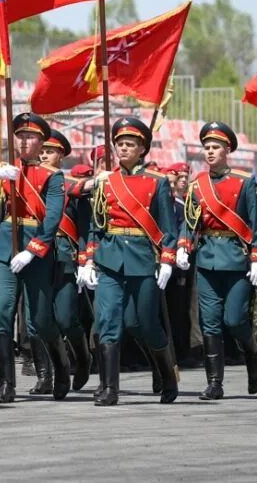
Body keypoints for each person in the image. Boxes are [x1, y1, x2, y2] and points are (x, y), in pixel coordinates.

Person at [0, 112, 71, 404]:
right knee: (0, 313)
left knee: (40, 320)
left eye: (31, 137)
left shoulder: (53, 177)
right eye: (20, 136)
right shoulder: (6, 171)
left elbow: (51, 221)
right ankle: (4, 382)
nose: (24, 142)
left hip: (35, 250)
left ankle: (61, 367)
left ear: (41, 142)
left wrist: (32, 250)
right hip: (3, 248)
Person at [81, 117, 179, 406]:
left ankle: (167, 374)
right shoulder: (106, 181)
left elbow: (168, 227)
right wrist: (88, 260)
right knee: (108, 321)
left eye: (130, 144)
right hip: (110, 258)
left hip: (142, 257)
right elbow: (95, 224)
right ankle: (110, 388)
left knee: (143, 322)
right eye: (120, 144)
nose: (123, 149)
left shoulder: (157, 183)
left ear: (142, 149)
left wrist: (167, 260)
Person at [177, 121, 257, 400]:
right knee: (210, 323)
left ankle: (252, 354)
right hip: (206, 259)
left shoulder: (244, 181)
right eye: (207, 148)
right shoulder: (198, 185)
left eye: (216, 147)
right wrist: (183, 246)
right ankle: (215, 382)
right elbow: (189, 221)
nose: (210, 152)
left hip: (236, 258)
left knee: (236, 319)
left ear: (227, 149)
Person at [29, 129, 91, 395]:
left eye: (50, 151)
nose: (44, 154)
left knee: (66, 317)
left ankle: (83, 356)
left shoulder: (69, 186)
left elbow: (85, 227)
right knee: (37, 321)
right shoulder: (27, 184)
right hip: (35, 256)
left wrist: (86, 260)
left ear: (62, 156)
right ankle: (52, 372)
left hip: (64, 256)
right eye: (42, 149)